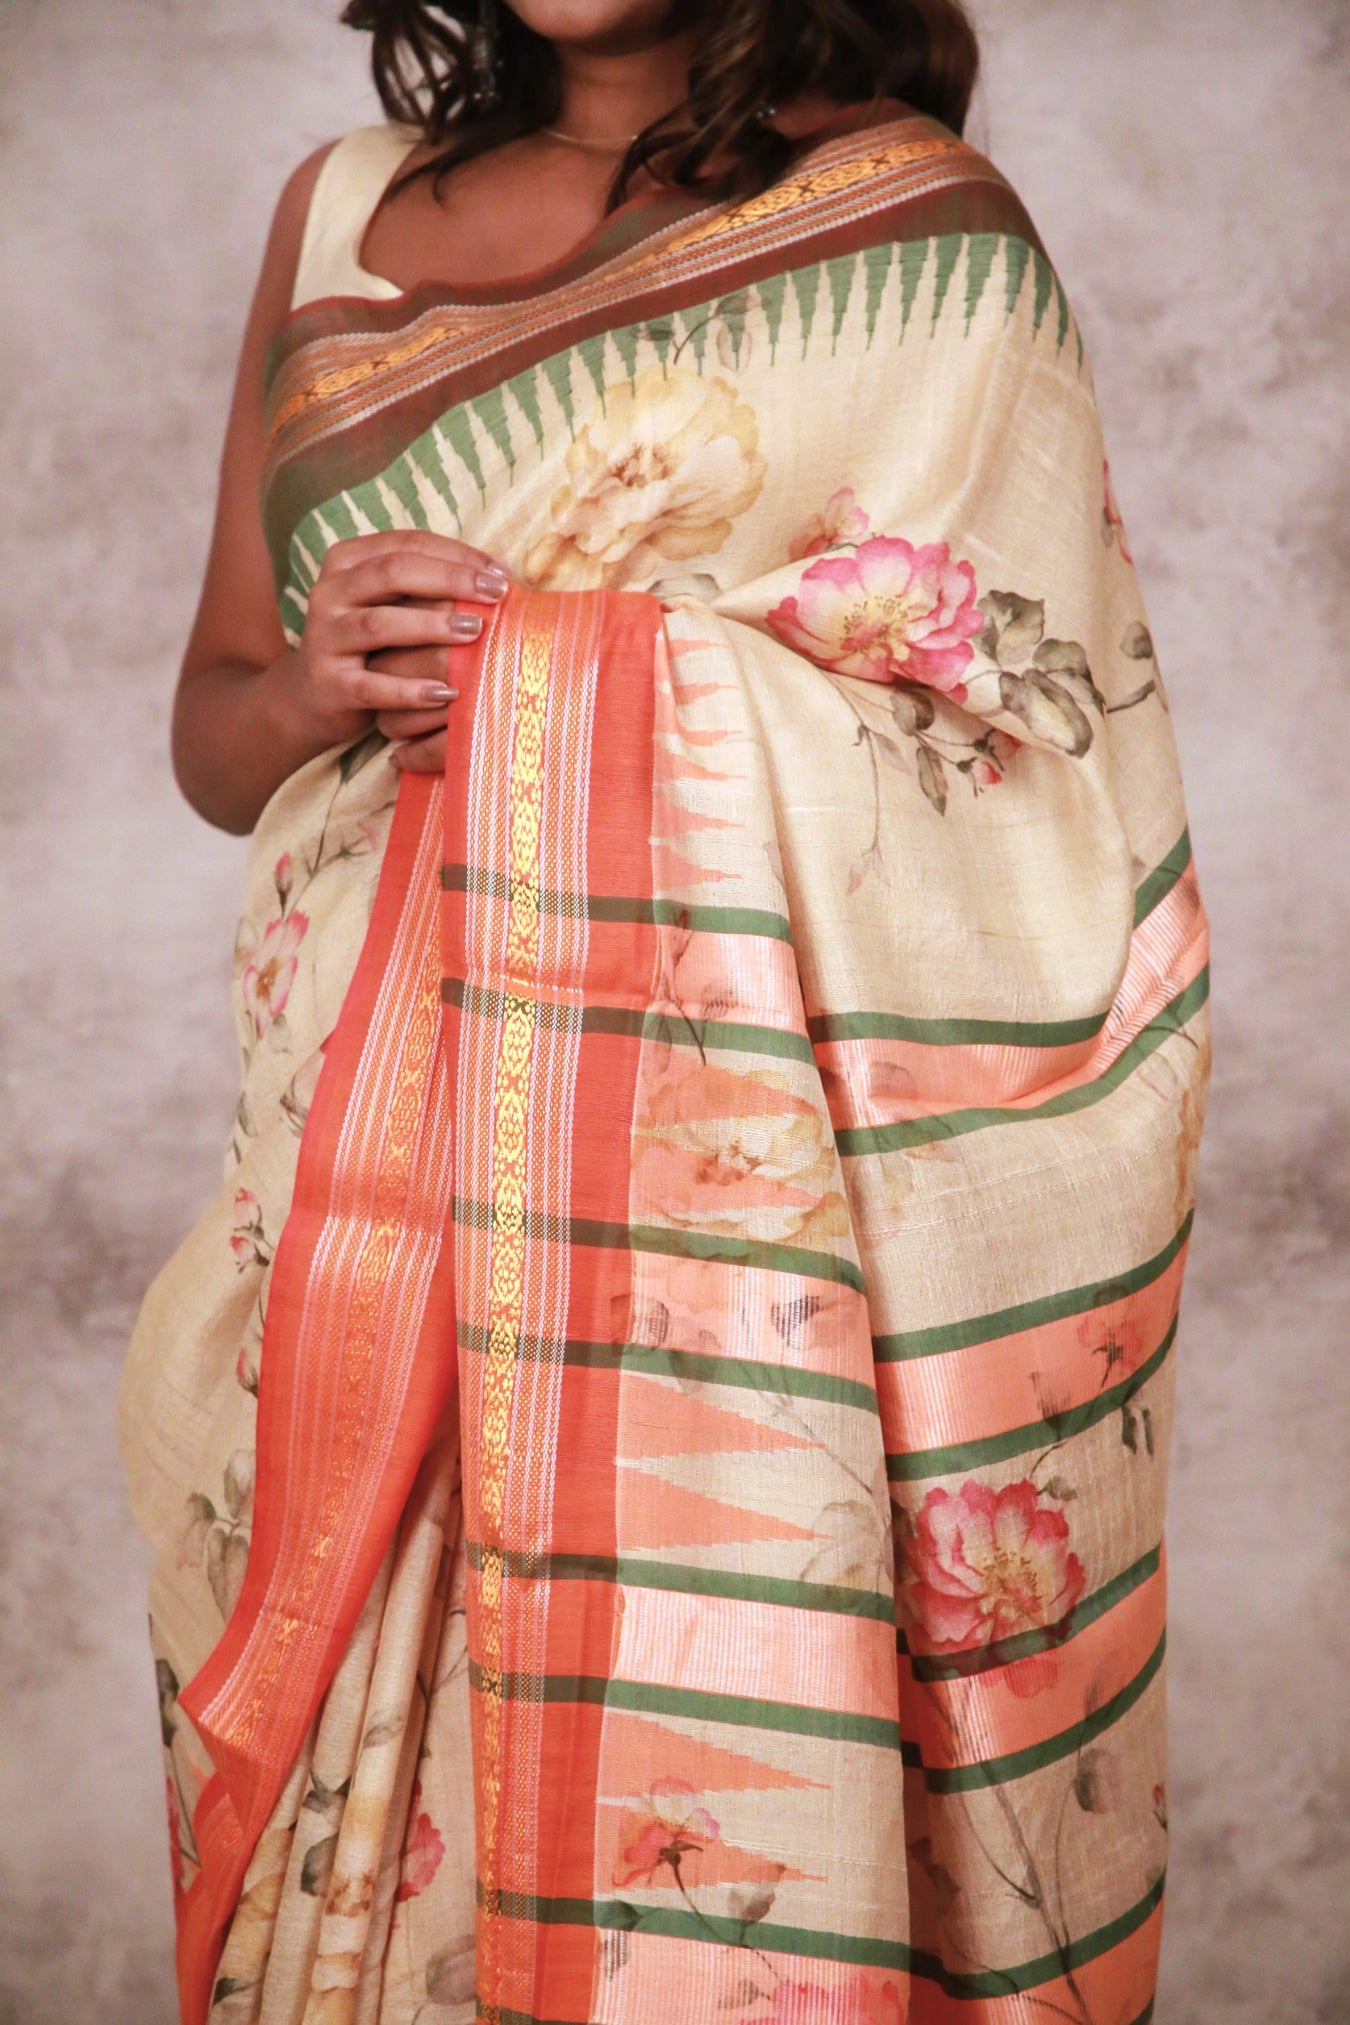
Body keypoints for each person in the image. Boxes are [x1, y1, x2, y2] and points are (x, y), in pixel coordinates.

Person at [119, 3, 1211, 2021]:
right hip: (370, 1189)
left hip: (742, 1238)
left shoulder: (916, 223)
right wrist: (316, 682)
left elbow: (1034, 755)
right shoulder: (338, 214)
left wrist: (576, 690)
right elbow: (217, 724)